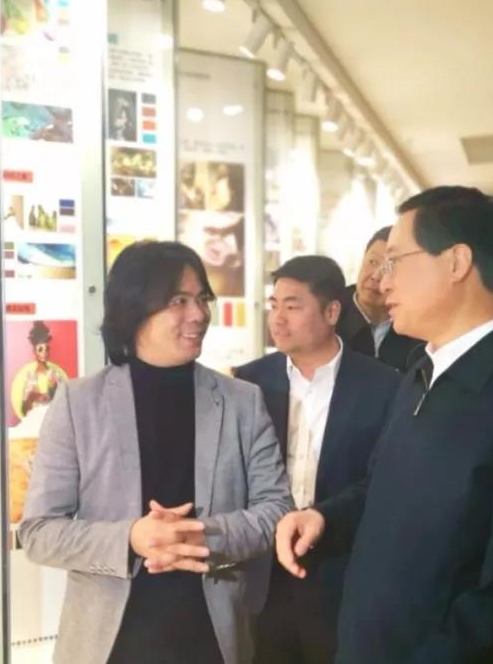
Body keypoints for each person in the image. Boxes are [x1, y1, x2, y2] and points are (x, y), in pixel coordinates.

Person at [275, 186, 493, 663]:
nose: (381, 281)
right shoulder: (422, 371)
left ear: (457, 261)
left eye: (395, 261)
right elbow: (383, 489)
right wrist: (324, 519)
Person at [19, 241, 293, 664]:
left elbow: (276, 510)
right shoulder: (78, 402)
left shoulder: (242, 400)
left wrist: (198, 536)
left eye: (202, 299)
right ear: (134, 310)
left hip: (213, 639)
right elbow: (38, 532)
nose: (198, 314)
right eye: (178, 301)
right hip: (109, 644)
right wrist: (132, 538)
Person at [234, 256, 401, 664]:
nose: (277, 318)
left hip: (342, 572)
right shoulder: (249, 381)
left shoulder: (385, 385)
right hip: (266, 573)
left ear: (331, 312)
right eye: (274, 305)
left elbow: (383, 480)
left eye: (292, 306)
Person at [335, 226, 423, 372]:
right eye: (373, 262)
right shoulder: (328, 315)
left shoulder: (419, 327)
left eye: (390, 268)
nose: (376, 276)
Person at [11, 320, 68, 421]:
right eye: (40, 349)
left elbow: (63, 404)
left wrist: (53, 390)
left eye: (46, 349)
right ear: (34, 351)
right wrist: (32, 398)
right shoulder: (31, 378)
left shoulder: (55, 376)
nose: (44, 353)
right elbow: (24, 410)